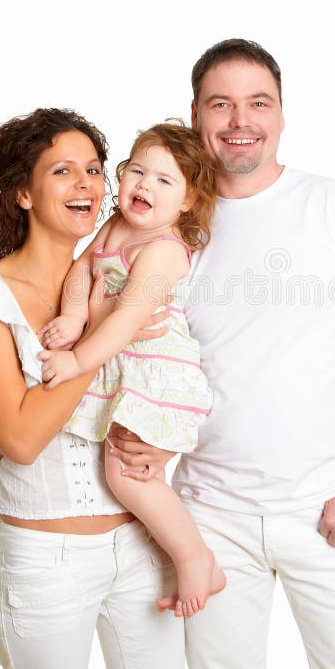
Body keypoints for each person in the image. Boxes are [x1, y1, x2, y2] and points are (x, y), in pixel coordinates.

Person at [107, 40, 335, 669]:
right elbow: (123, 341)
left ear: (282, 114)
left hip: (326, 508)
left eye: (258, 103)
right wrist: (24, 407)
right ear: (196, 114)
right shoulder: (170, 227)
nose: (240, 121)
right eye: (220, 104)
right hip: (206, 515)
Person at [0, 108, 184, 669]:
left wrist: (166, 442)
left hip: (144, 544)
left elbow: (180, 379)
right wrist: (101, 328)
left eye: (96, 169)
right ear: (22, 193)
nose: (87, 184)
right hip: (48, 561)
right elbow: (24, 440)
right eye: (62, 171)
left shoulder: (135, 270)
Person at [37, 122, 226, 618]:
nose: (145, 185)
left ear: (187, 201)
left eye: (165, 181)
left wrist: (77, 356)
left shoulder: (163, 249)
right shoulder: (116, 227)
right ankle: (188, 555)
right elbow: (81, 270)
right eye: (138, 171)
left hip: (156, 369)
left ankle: (196, 558)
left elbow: (127, 318)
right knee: (119, 468)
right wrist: (73, 317)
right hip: (117, 359)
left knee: (126, 474)